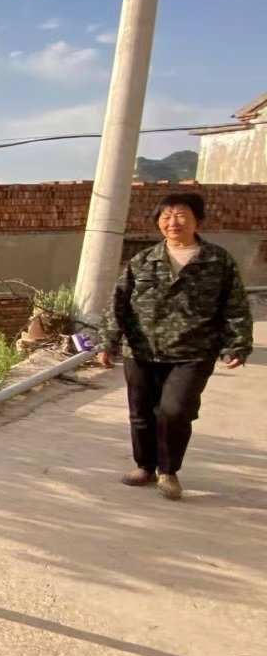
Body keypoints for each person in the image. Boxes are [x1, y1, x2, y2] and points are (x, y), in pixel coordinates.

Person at [95, 191, 253, 500]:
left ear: (197, 220)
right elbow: (118, 304)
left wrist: (237, 344)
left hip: (193, 352)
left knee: (175, 411)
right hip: (141, 350)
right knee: (140, 412)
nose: (172, 222)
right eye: (165, 217)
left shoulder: (217, 261)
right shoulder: (142, 261)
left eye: (181, 215)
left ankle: (169, 471)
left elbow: (235, 306)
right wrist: (107, 342)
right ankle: (144, 466)